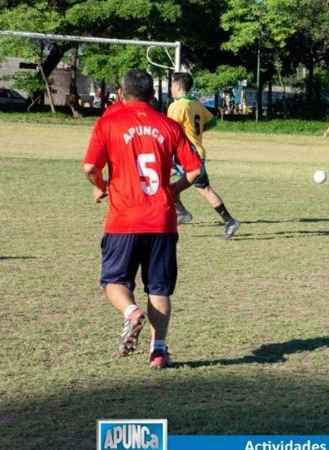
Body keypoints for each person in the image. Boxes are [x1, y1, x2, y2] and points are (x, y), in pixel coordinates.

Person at [82, 69, 203, 369]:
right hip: (161, 220)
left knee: (113, 280)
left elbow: (88, 167)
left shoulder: (109, 122)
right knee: (159, 288)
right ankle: (158, 351)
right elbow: (195, 170)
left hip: (123, 220)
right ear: (153, 95)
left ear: (121, 95)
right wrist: (173, 189)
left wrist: (102, 186)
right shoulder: (168, 125)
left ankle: (131, 312)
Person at [168, 72, 241, 240]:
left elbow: (169, 131)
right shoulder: (195, 103)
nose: (171, 88)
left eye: (172, 85)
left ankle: (229, 221)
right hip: (194, 152)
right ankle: (181, 213)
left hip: (188, 155)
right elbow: (213, 121)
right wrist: (195, 133)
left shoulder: (177, 106)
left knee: (202, 189)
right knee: (169, 186)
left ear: (178, 87)